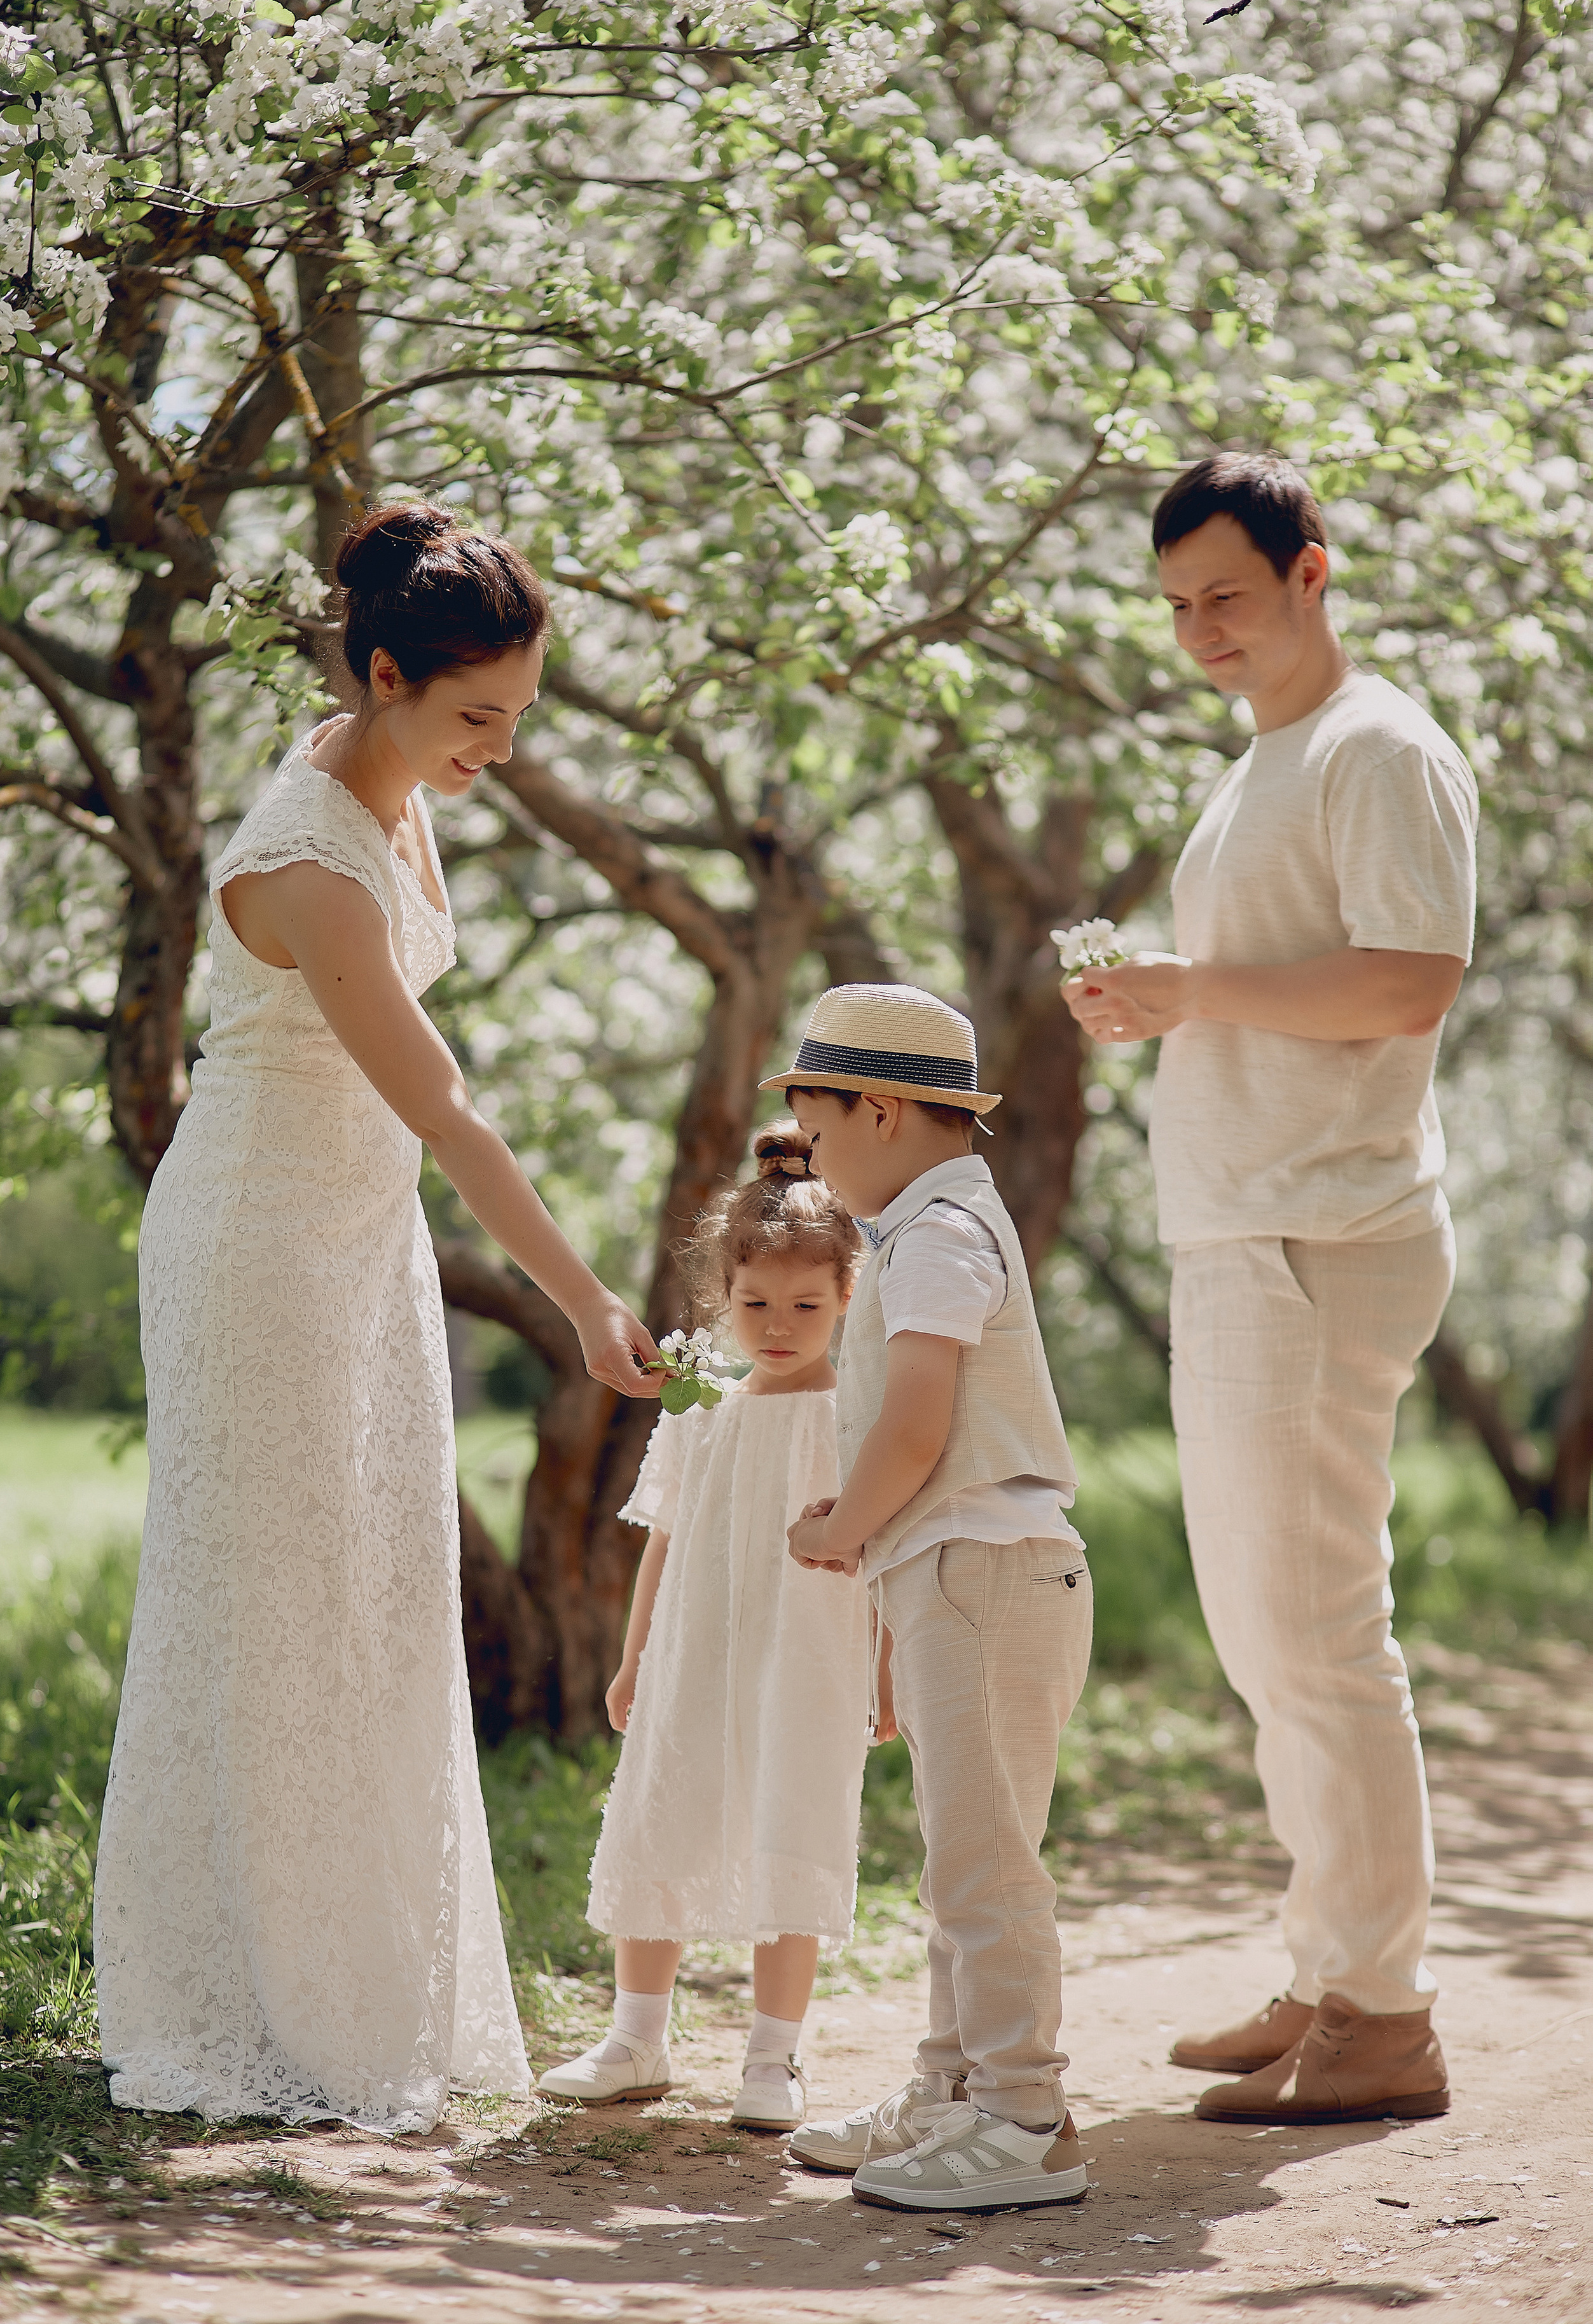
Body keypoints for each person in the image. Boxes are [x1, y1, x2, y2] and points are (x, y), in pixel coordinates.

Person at [93, 502, 659, 2131]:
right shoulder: (305, 859)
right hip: (257, 1247)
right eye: (473, 716)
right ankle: (250, 2005)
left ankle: (367, 1982)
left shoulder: (385, 766)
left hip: (356, 1238)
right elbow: (450, 1115)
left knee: (374, 1592)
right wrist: (584, 1303)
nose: (499, 749)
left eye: (520, 717)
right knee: (274, 1606)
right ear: (392, 678)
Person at [1064, 452, 1477, 2124]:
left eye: (1226, 593)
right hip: (1253, 1230)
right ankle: (1329, 1975)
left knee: (1314, 1636)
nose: (1200, 631)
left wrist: (1194, 990)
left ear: (1316, 568)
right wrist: (1169, 1005)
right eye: (1175, 608)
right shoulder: (1274, 758)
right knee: (1273, 1633)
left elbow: (1408, 986)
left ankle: (1384, 2020)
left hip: (1323, 1237)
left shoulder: (1380, 747)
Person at [772, 984, 1093, 2213]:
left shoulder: (944, 1233)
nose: (811, 1157)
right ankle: (953, 2089)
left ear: (886, 1110)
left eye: (819, 1129)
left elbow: (917, 1428)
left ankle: (1027, 2119)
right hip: (961, 1576)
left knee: (986, 1866)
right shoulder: (929, 1224)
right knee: (960, 1856)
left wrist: (840, 1533)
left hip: (986, 1570)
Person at [537, 1122, 870, 2131]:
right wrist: (636, 1657)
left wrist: (888, 1673)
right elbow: (665, 1542)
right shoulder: (701, 1409)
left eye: (806, 1305)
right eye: (756, 1303)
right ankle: (636, 2037)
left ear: (848, 1297)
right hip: (696, 1651)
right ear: (721, 1301)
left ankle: (774, 2059)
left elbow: (885, 1554)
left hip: (808, 1657)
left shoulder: (857, 1416)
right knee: (661, 1814)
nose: (778, 1325)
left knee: (792, 1823)